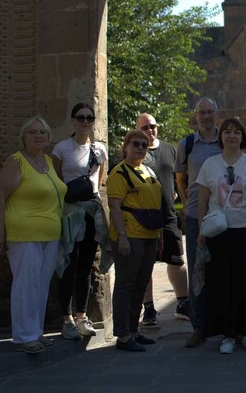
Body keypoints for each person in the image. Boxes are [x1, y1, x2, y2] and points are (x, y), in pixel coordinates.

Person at [0, 116, 66, 354]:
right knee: (26, 284)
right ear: (23, 137)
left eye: (42, 132)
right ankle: (24, 336)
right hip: (23, 233)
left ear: (48, 138)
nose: (38, 136)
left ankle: (36, 332)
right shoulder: (16, 161)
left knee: (41, 285)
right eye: (32, 132)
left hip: (50, 233)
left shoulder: (48, 161)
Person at [196, 117, 246, 354]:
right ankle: (227, 334)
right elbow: (203, 199)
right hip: (219, 231)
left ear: (242, 137)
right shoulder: (210, 164)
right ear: (221, 136)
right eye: (227, 132)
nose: (231, 136)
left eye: (236, 132)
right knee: (221, 283)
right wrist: (200, 231)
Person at [52, 103, 109, 340]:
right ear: (73, 120)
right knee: (68, 264)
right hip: (69, 211)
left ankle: (81, 315)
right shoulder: (61, 149)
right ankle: (66, 319)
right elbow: (55, 179)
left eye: (89, 117)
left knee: (86, 266)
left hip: (90, 211)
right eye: (81, 117)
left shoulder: (99, 149)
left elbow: (101, 177)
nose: (85, 122)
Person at [105, 130, 162, 352]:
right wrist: (122, 237)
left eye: (144, 145)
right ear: (125, 146)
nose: (140, 148)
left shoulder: (148, 171)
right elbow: (115, 207)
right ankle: (123, 334)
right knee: (125, 284)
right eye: (135, 144)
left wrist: (160, 236)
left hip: (149, 235)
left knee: (140, 284)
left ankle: (134, 329)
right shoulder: (119, 173)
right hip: (130, 235)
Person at [176, 97, 222, 348]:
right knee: (197, 271)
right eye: (201, 113)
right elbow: (180, 177)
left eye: (210, 112)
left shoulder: (225, 140)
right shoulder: (187, 144)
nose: (206, 117)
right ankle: (199, 326)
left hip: (224, 215)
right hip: (195, 216)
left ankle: (224, 324)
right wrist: (186, 203)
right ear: (196, 116)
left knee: (223, 270)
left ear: (217, 114)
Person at [135, 113, 190, 327]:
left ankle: (183, 304)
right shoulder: (135, 150)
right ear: (137, 128)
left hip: (168, 216)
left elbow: (179, 179)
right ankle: (148, 309)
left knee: (177, 261)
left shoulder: (170, 149)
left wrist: (181, 198)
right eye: (145, 127)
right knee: (145, 265)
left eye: (153, 126)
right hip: (142, 217)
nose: (150, 130)